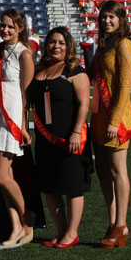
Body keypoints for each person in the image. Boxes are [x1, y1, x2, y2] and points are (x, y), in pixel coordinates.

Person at [28, 27, 92, 248]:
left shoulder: (75, 70)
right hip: (45, 139)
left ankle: (72, 233)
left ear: (69, 46)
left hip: (69, 137)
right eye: (52, 42)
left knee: (72, 185)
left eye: (61, 43)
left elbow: (84, 104)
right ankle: (62, 231)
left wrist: (76, 132)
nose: (56, 46)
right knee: (49, 186)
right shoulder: (40, 69)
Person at [0, 8, 35, 246]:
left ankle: (28, 217)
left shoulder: (25, 54)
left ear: (20, 28)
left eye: (10, 26)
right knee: (4, 177)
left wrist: (23, 125)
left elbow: (25, 93)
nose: (5, 30)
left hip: (10, 114)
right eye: (3, 25)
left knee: (1, 176)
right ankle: (16, 228)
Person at [89, 0, 131, 249]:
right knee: (103, 170)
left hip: (116, 117)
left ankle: (121, 224)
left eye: (111, 17)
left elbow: (126, 86)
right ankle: (112, 222)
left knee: (118, 170)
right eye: (103, 17)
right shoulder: (103, 45)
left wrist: (115, 119)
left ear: (121, 19)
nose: (106, 21)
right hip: (99, 116)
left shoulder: (125, 44)